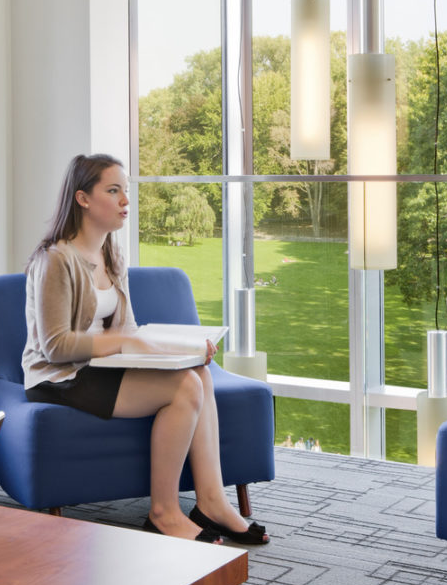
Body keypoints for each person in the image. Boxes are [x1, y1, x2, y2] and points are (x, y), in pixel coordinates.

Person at [23, 153, 266, 545]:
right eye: (113, 190)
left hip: (101, 367)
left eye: (126, 191)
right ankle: (163, 513)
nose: (125, 200)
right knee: (185, 388)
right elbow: (55, 346)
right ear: (83, 199)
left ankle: (211, 501)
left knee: (198, 374)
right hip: (61, 377)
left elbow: (130, 330)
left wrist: (181, 348)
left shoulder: (111, 255)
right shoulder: (55, 260)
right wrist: (125, 342)